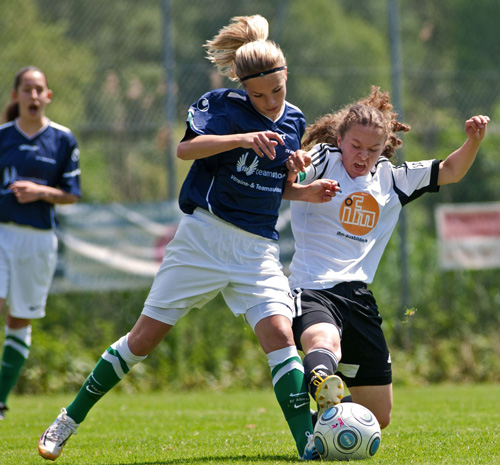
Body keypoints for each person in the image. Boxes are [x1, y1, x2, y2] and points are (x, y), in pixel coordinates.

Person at [38, 15, 335, 461]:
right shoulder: (220, 106)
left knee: (279, 333)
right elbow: (186, 149)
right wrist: (242, 137)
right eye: (259, 95)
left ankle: (308, 445)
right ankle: (69, 418)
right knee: (142, 341)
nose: (271, 101)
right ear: (241, 85)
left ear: (286, 76)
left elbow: (275, 185)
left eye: (278, 90)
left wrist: (304, 188)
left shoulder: (294, 120)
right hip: (203, 239)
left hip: (256, 248)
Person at [287, 86, 489, 428]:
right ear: (339, 138)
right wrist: (297, 173)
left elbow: (451, 170)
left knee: (377, 418)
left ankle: (317, 425)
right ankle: (321, 378)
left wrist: (473, 141)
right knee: (325, 341)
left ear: (385, 148)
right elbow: (291, 179)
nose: (362, 156)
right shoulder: (323, 160)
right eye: (355, 146)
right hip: (312, 288)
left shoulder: (392, 180)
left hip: (359, 299)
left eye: (373, 148)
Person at [0, 66, 81, 420]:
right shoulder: (2, 137)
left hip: (38, 241)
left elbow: (72, 195)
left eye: (39, 90)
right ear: (16, 95)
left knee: (19, 320)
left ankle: (0, 400)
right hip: (2, 233)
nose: (33, 96)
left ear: (48, 96)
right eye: (26, 90)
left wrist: (39, 192)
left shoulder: (63, 139)